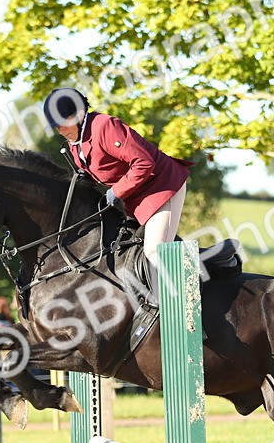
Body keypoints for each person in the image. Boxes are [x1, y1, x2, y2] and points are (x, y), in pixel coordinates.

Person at [44, 87, 193, 295]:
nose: (60, 130)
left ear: (79, 114)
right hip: (136, 200)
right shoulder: (75, 143)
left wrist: (117, 191)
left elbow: (143, 162)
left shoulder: (105, 126)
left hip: (161, 188)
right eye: (56, 126)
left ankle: (188, 307)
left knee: (155, 251)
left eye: (63, 122)